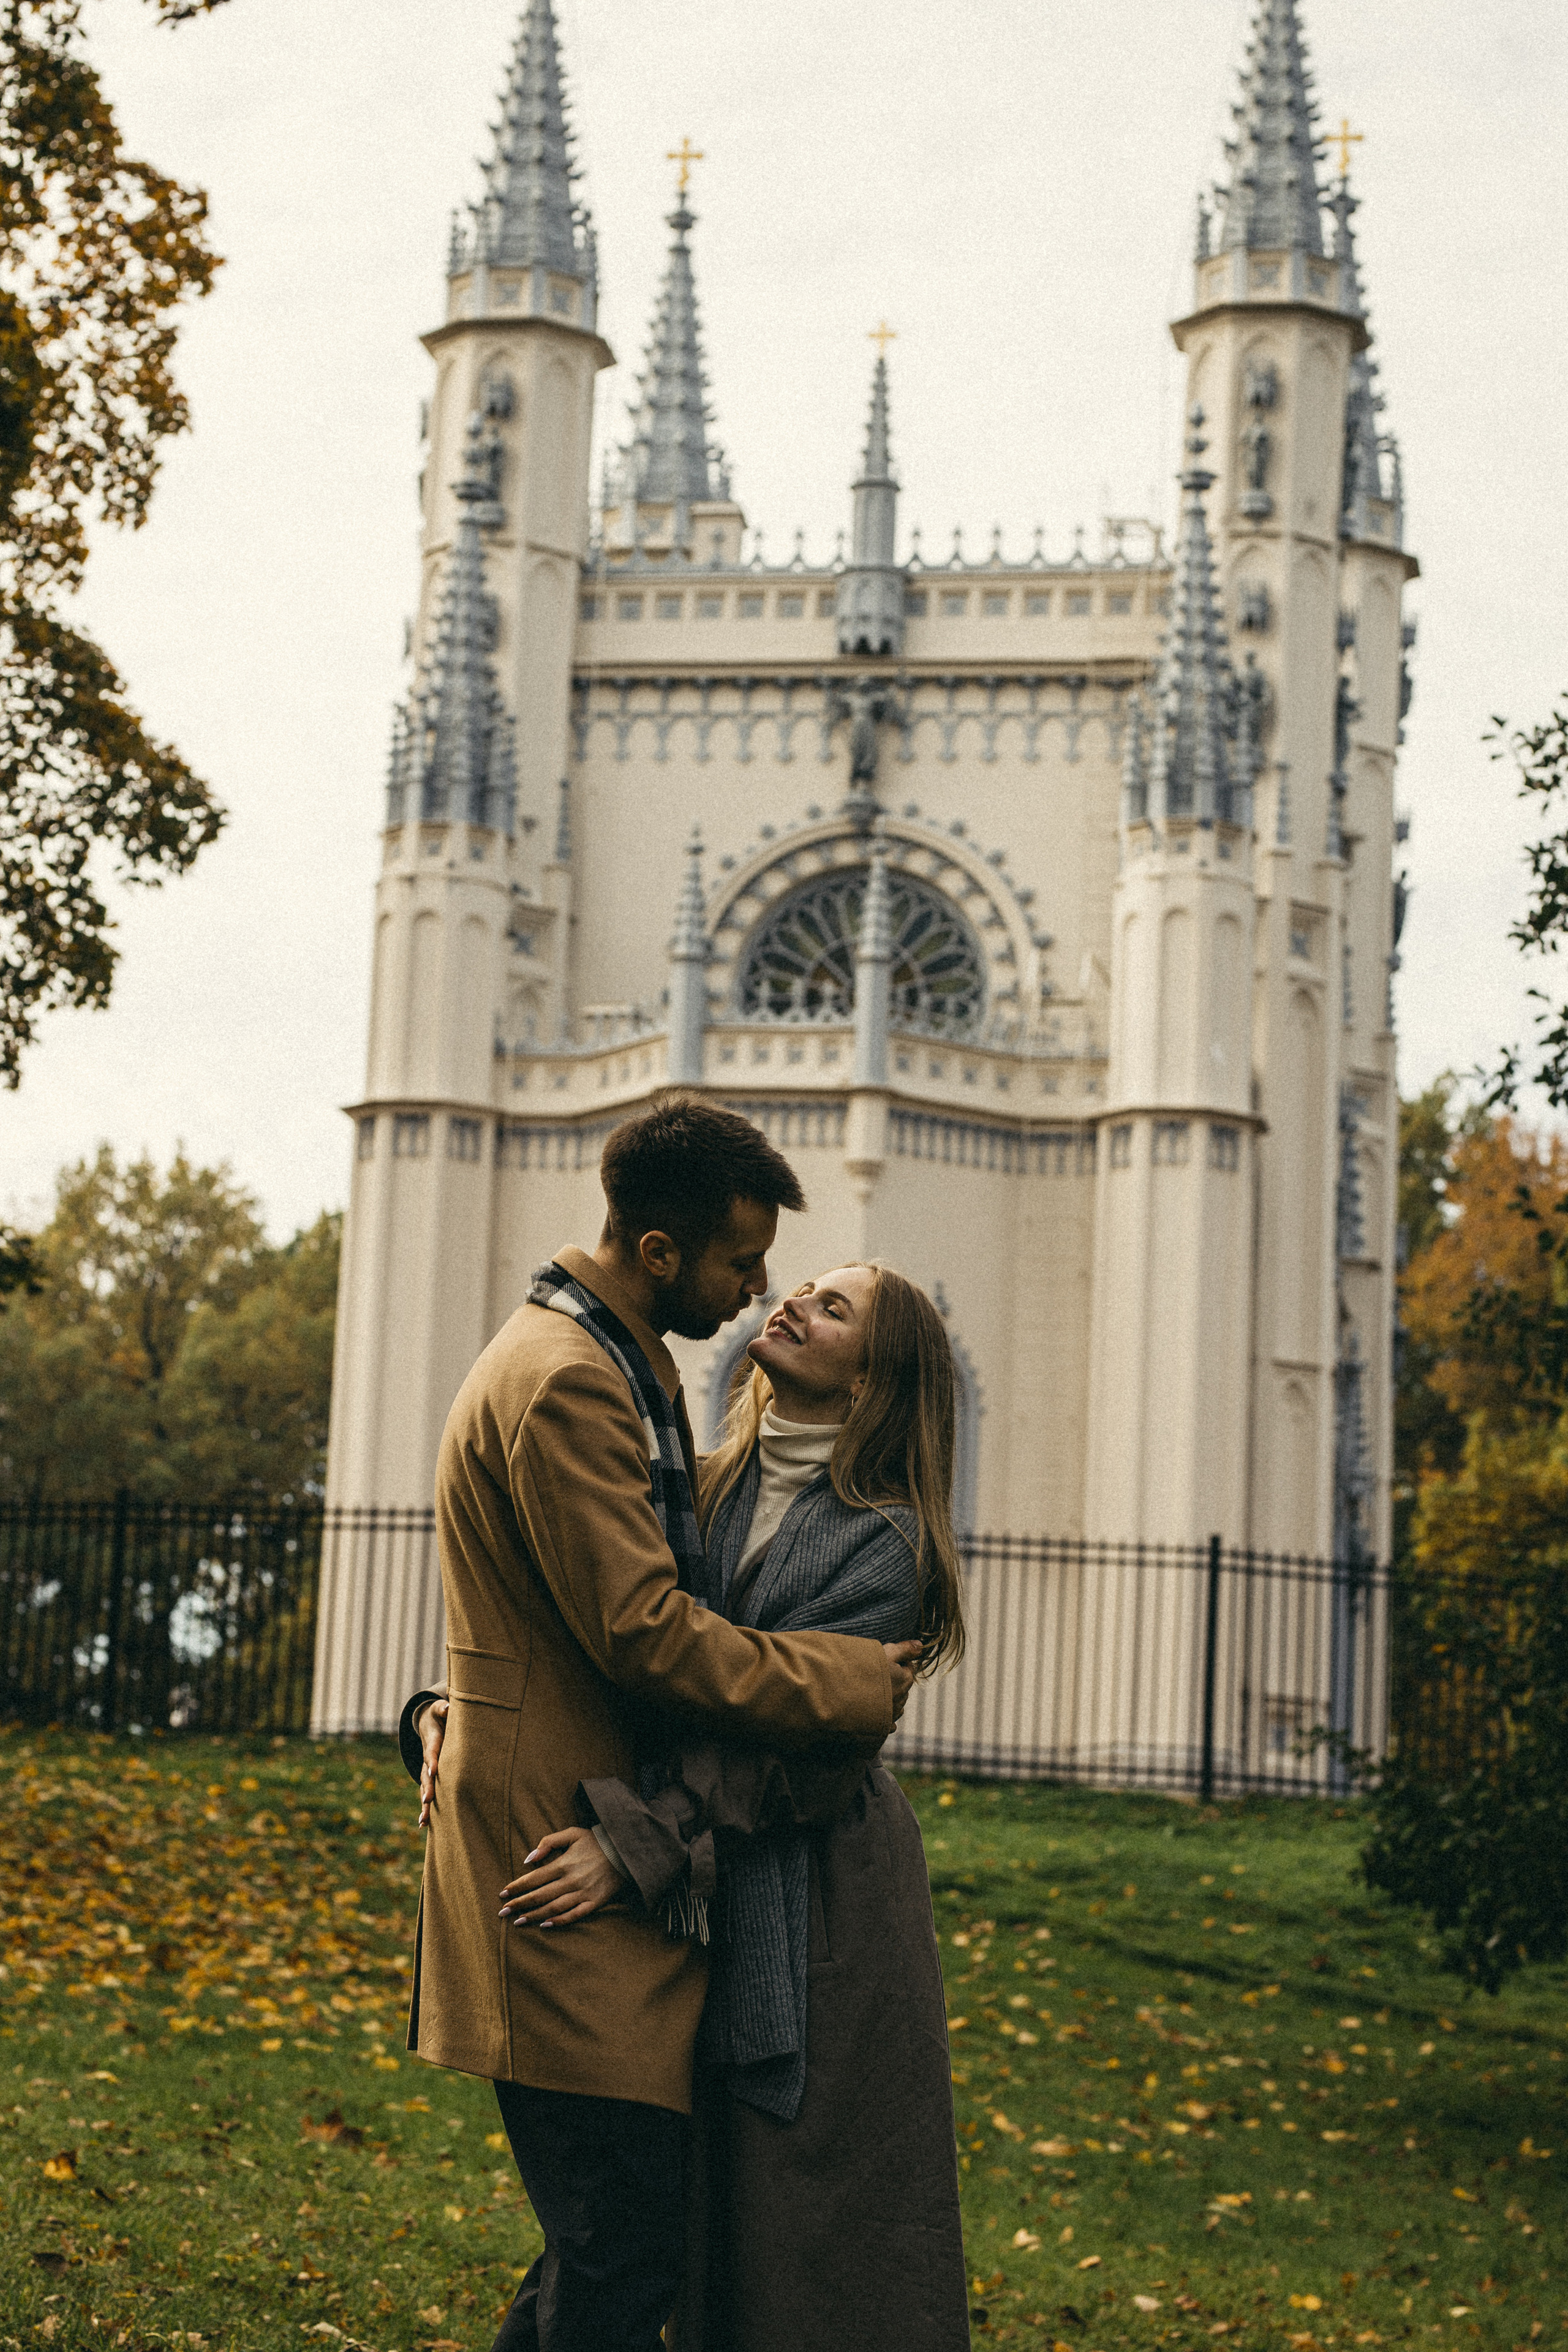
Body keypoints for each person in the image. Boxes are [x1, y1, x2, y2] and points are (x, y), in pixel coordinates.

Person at [397, 1095, 922, 2352]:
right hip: (552, 1862)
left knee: (612, 2246)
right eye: (742, 1262)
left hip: (594, 1857)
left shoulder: (600, 1360)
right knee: (622, 2250)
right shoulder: (572, 1378)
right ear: (657, 1254)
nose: (760, 1289)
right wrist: (848, 1682)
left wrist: (442, 1715)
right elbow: (640, 1630)